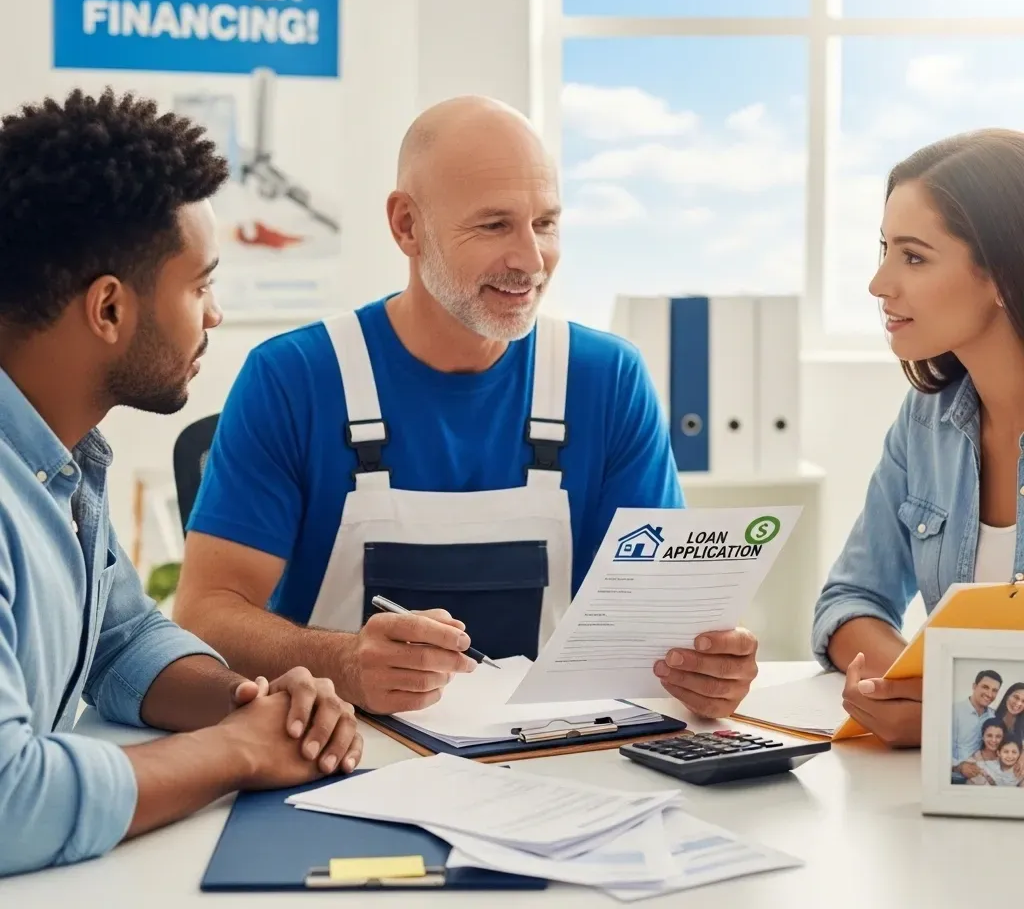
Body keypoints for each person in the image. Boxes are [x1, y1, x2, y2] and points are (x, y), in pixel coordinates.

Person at [174, 95, 761, 719]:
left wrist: (702, 669)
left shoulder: (608, 379)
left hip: (549, 752)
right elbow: (205, 615)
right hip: (344, 750)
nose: (531, 261)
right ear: (407, 226)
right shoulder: (293, 378)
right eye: (494, 226)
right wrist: (341, 661)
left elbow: (655, 621)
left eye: (545, 223)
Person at [0, 90, 362, 879]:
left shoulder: (60, 465)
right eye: (200, 286)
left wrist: (252, 704)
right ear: (108, 309)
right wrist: (237, 751)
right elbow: (7, 799)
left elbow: (124, 639)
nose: (215, 315)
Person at [811, 127, 1024, 747]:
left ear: (1001, 272)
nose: (879, 284)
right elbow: (849, 601)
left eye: (913, 257)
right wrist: (925, 693)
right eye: (884, 249)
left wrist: (958, 717)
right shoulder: (926, 420)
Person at [950, 670, 1001, 781]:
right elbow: (939, 749)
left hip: (984, 777)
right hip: (956, 777)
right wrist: (959, 767)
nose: (989, 694)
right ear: (974, 686)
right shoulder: (954, 711)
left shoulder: (994, 716)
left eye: (994, 690)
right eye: (985, 687)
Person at [965, 718, 1005, 785]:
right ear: (983, 737)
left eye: (998, 736)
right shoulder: (972, 761)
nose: (993, 740)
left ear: (1003, 738)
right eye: (989, 735)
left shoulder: (1008, 758)